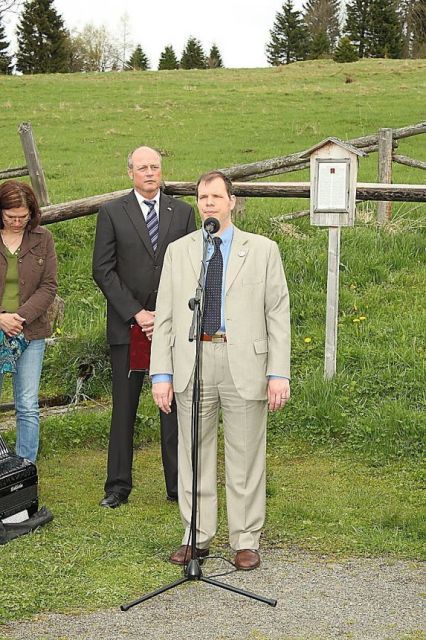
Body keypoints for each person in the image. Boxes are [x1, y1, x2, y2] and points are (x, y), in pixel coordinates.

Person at [150, 170, 290, 570]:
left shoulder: (263, 250)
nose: (208, 202)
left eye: (215, 196)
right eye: (202, 196)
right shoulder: (180, 251)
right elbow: (165, 317)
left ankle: (246, 538)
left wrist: (278, 372)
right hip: (192, 361)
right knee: (193, 452)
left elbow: (278, 315)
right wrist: (161, 374)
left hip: (244, 361)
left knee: (245, 454)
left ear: (232, 201)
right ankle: (196, 535)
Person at [92, 146, 196, 509]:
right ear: (130, 173)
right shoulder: (111, 213)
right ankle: (117, 486)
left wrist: (163, 315)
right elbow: (102, 270)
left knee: (171, 407)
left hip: (169, 328)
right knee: (124, 408)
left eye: (155, 167)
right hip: (128, 327)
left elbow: (191, 268)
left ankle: (177, 484)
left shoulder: (182, 213)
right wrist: (137, 313)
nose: (150, 173)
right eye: (143, 168)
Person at [0, 180, 57, 462]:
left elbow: (49, 286)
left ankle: (26, 468)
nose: (17, 222)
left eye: (23, 216)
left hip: (31, 332)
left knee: (27, 404)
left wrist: (19, 318)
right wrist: (1, 319)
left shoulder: (43, 238)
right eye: (11, 217)